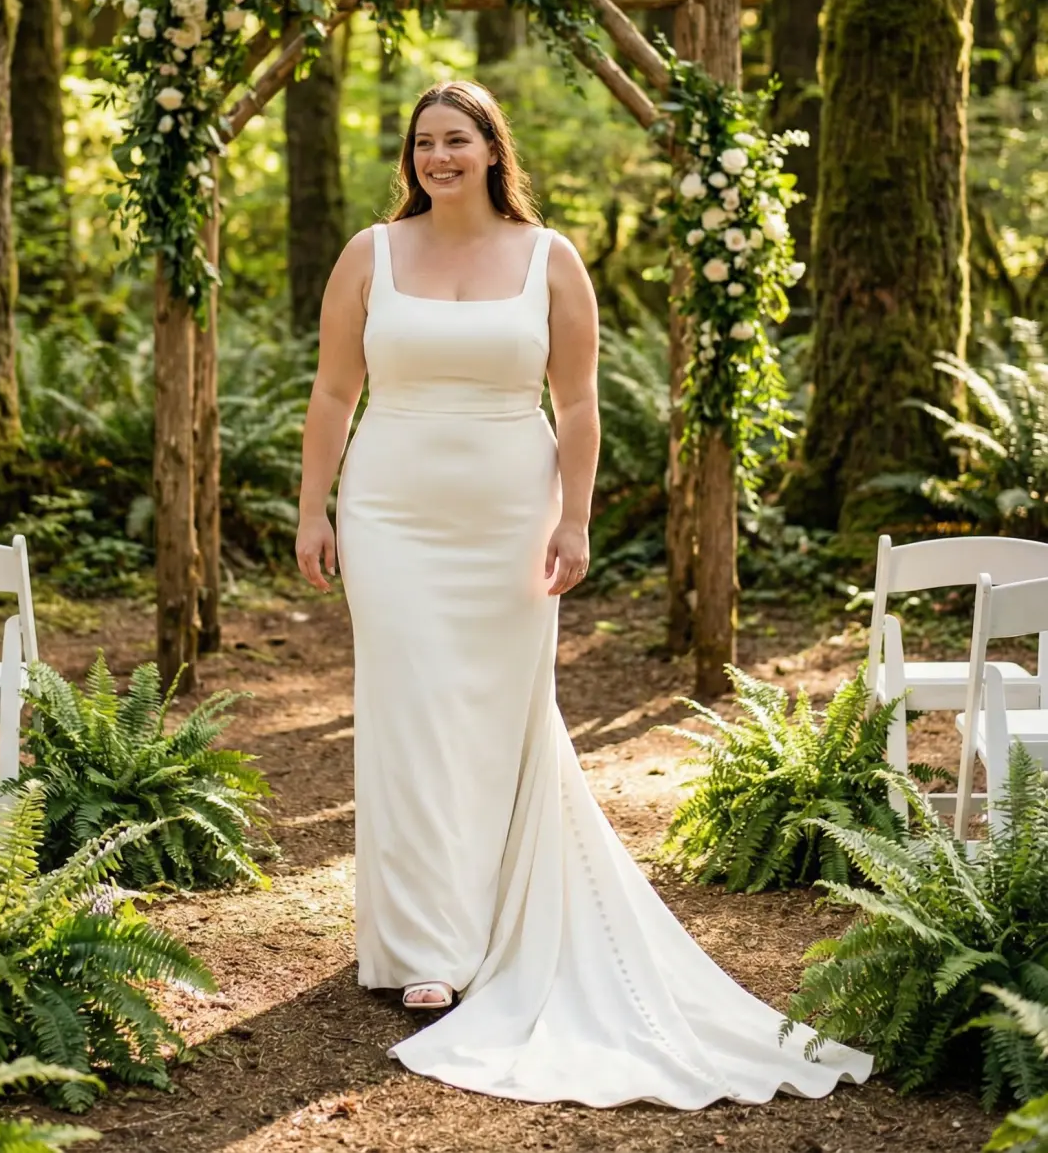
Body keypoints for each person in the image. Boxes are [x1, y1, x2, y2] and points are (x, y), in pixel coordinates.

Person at [294, 79, 871, 1108]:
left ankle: (501, 921)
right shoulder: (367, 255)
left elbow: (580, 400)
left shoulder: (551, 257)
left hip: (510, 516)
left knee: (497, 716)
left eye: (457, 139)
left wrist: (574, 517)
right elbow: (335, 391)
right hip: (390, 514)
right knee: (413, 709)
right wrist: (314, 508)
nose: (440, 156)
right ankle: (424, 942)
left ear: (490, 149)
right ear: (410, 157)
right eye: (424, 141)